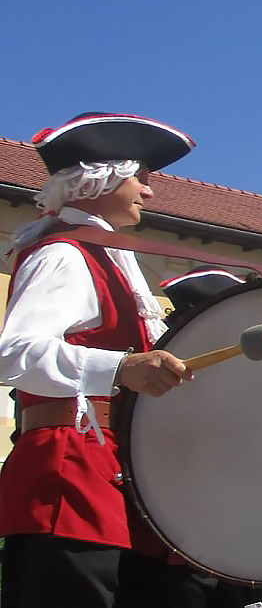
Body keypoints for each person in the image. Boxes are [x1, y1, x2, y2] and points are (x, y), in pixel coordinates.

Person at [0, 113, 198, 608]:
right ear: (100, 178)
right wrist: (119, 369)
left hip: (107, 469)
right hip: (67, 473)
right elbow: (13, 354)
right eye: (142, 178)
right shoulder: (63, 254)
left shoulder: (104, 253)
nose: (150, 192)